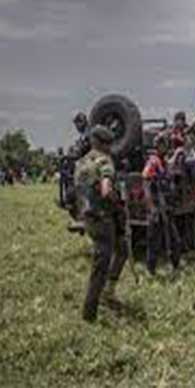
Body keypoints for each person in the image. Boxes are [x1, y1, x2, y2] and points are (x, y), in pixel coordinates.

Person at [74, 126, 127, 322]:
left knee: (122, 249)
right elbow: (106, 190)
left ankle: (109, 291)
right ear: (106, 144)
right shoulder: (104, 161)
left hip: (87, 217)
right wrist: (118, 202)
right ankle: (90, 314)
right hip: (103, 218)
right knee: (100, 267)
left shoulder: (81, 163)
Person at [142, 133, 181, 275]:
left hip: (166, 207)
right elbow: (146, 183)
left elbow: (170, 168)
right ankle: (151, 269)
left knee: (173, 238)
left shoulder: (162, 161)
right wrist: (152, 208)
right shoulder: (153, 162)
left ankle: (175, 265)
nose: (165, 147)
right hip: (157, 208)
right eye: (163, 144)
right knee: (154, 240)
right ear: (158, 146)